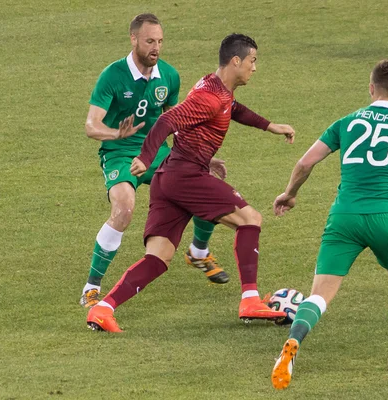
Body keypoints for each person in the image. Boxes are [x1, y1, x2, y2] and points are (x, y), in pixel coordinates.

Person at [270, 59, 388, 389]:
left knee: (319, 294)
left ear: (371, 88)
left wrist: (289, 194)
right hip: (387, 216)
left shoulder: (346, 122)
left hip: (344, 216)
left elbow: (305, 162)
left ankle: (292, 345)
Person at [86, 33, 296, 332]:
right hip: (185, 175)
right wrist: (146, 157)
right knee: (250, 219)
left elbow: (232, 108)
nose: (254, 67)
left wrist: (269, 126)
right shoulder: (208, 97)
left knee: (158, 258)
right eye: (253, 61)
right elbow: (166, 121)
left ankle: (103, 309)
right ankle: (249, 299)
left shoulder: (215, 87)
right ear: (236, 61)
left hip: (168, 178)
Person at [80, 13, 230, 308]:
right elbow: (90, 126)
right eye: (150, 41)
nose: (156, 47)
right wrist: (115, 133)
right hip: (120, 152)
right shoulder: (112, 75)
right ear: (133, 39)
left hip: (158, 151)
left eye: (160, 41)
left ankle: (199, 252)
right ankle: (91, 288)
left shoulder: (169, 76)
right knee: (123, 210)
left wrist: (201, 158)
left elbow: (179, 120)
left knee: (206, 189)